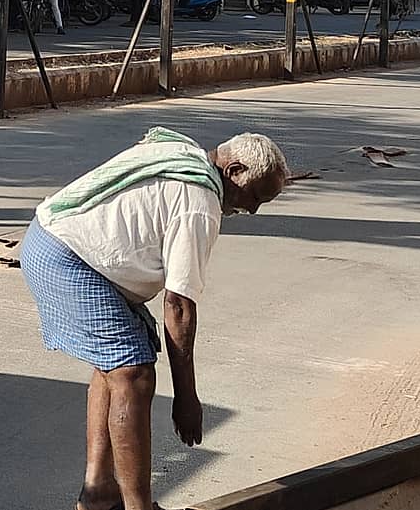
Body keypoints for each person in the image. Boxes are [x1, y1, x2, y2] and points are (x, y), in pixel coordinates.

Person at [20, 127, 289, 510]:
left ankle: (99, 494)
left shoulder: (186, 154)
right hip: (68, 258)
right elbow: (178, 306)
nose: (253, 210)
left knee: (117, 364)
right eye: (256, 196)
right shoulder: (199, 202)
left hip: (54, 243)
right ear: (233, 171)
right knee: (134, 374)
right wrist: (186, 398)